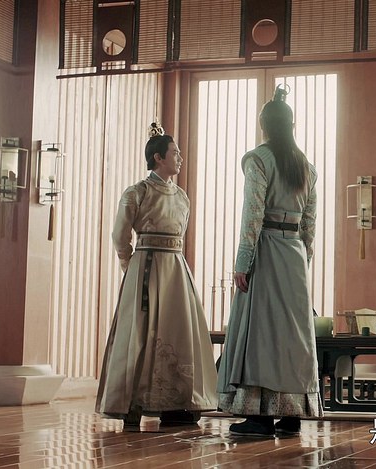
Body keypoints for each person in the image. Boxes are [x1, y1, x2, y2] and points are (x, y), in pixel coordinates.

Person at [96, 123, 218, 427]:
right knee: (141, 332)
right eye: (175, 153)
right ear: (158, 158)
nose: (180, 158)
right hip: (147, 266)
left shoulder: (182, 197)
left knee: (179, 331)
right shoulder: (137, 192)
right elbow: (119, 234)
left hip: (175, 269)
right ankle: (132, 403)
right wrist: (129, 264)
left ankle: (178, 403)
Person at [217, 85, 321, 437]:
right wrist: (304, 259)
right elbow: (310, 224)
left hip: (267, 250)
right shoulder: (306, 167)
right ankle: (292, 414)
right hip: (294, 255)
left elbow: (252, 214)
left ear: (264, 126)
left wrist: (242, 262)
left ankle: (259, 416)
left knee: (261, 332)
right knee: (292, 335)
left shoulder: (258, 160)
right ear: (291, 125)